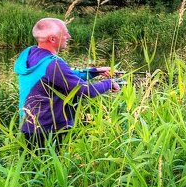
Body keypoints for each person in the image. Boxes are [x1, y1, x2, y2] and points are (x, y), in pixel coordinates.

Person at [14, 18, 119, 148]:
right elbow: (86, 91)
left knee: (34, 166)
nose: (69, 36)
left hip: (29, 124)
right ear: (52, 39)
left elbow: (63, 76)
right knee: (51, 166)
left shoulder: (32, 54)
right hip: (47, 129)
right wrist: (109, 83)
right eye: (65, 33)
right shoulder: (53, 64)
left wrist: (94, 71)